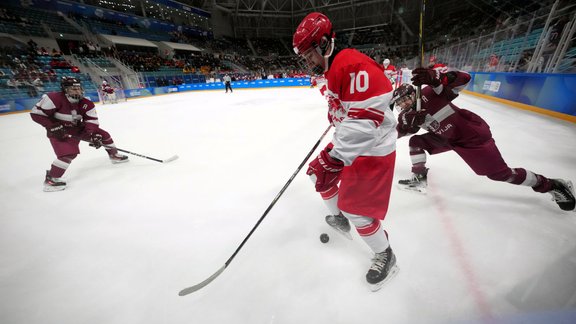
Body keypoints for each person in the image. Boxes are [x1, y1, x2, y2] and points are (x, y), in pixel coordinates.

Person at [293, 12, 399, 291]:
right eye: (304, 57)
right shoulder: (332, 68)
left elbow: (365, 124)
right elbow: (346, 110)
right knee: (318, 176)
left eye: (310, 54)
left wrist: (334, 157)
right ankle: (339, 218)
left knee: (358, 210)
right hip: (351, 142)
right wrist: (336, 119)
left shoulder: (351, 64)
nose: (308, 61)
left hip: (373, 147)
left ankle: (385, 254)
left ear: (326, 43)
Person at [391, 68, 575, 212]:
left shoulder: (432, 92)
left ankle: (551, 184)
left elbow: (465, 78)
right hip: (448, 138)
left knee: (500, 174)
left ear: (412, 94)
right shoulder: (407, 116)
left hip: (471, 137)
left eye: (404, 100)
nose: (403, 105)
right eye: (399, 104)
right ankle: (419, 177)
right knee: (416, 142)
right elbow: (396, 134)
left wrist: (438, 78)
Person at [30, 76, 128, 192]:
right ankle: (51, 178)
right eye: (73, 89)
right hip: (59, 131)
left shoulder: (87, 103)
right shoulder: (53, 98)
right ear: (65, 89)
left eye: (79, 88)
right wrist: (51, 126)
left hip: (78, 128)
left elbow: (91, 121)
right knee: (68, 154)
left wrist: (93, 134)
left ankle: (114, 155)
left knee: (103, 135)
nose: (77, 91)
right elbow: (36, 113)